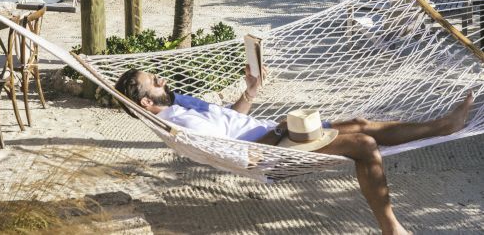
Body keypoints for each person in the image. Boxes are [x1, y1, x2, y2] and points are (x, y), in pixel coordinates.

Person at [115, 65, 474, 235]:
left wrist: (251, 91)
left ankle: (445, 125)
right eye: (154, 81)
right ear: (147, 101)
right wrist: (280, 132)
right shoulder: (185, 126)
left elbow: (231, 125)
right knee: (364, 145)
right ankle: (392, 228)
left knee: (360, 123)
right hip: (275, 154)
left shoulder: (183, 110)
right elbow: (245, 156)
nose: (163, 78)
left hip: (276, 138)